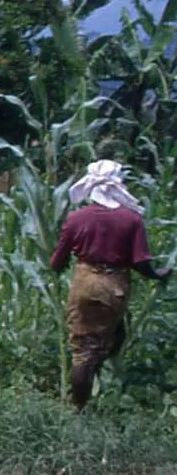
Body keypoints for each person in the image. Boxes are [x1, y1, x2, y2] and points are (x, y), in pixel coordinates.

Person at [49, 159, 171, 410]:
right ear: (118, 184)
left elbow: (56, 263)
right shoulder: (131, 220)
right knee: (102, 343)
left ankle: (81, 403)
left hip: (84, 282)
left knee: (85, 348)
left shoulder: (76, 218)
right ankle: (83, 406)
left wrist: (62, 268)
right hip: (114, 285)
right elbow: (141, 263)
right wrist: (161, 274)